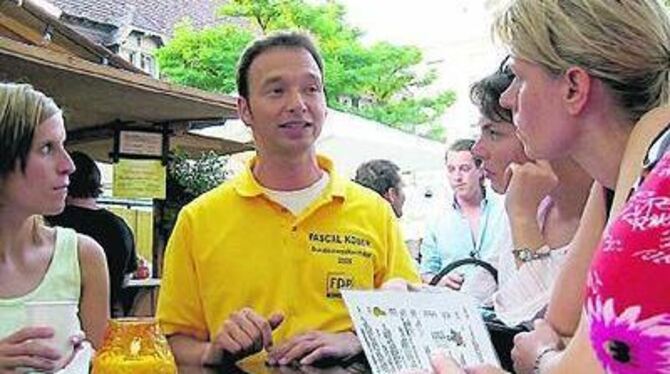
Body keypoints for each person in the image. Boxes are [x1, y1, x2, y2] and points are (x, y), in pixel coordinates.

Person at [426, 0, 670, 373]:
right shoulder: (617, 179)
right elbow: (557, 327)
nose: (509, 99)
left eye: (520, 79)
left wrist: (544, 360)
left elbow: (565, 355)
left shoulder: (658, 172)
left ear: (574, 87)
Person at [156, 32, 420, 368]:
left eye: (311, 88)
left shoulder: (374, 212)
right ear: (244, 109)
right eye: (276, 90)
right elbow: (171, 343)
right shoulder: (199, 219)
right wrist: (213, 352)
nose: (298, 103)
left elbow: (413, 316)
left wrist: (355, 338)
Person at [468, 63, 592, 370]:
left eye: (494, 133)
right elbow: (476, 296)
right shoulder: (534, 206)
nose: (476, 149)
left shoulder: (607, 211)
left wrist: (522, 218)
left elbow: (540, 326)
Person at [0, 83, 109, 372]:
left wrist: (88, 358)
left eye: (63, 145)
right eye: (47, 148)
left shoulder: (82, 256)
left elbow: (106, 365)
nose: (69, 165)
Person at [46, 151, 138, 317]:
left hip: (55, 322)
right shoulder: (120, 227)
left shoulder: (48, 223)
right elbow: (126, 279)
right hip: (106, 320)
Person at [419, 139, 506, 291]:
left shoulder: (504, 208)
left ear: (481, 170)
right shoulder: (436, 217)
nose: (457, 177)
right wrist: (440, 280)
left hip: (502, 304)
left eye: (464, 169)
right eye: (451, 169)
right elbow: (426, 272)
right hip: (456, 305)